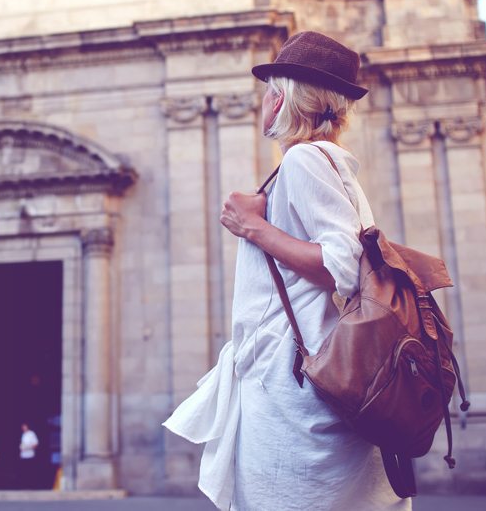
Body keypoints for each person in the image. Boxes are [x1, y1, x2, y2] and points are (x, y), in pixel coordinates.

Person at [163, 31, 408, 510]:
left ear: (281, 98)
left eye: (267, 91)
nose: (262, 102)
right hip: (301, 376)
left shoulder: (304, 160)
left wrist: (251, 226)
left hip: (294, 382)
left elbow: (340, 266)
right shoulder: (318, 163)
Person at [18, 422, 40, 489]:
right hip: (23, 456)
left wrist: (28, 447)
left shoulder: (31, 434)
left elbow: (36, 444)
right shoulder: (23, 435)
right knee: (24, 473)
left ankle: (31, 486)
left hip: (30, 456)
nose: (23, 428)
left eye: (24, 426)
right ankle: (24, 486)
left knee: (31, 472)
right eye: (22, 426)